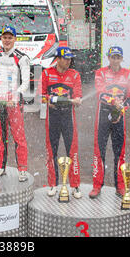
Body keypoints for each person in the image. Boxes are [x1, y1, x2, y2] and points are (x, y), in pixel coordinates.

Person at [89, 46, 130, 199]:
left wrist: (122, 106)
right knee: (99, 152)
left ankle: (120, 186)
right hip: (102, 115)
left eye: (118, 57)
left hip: (119, 116)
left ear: (122, 59)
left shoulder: (128, 74)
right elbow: (100, 92)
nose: (115, 60)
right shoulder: (101, 72)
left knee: (119, 153)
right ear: (108, 58)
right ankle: (97, 186)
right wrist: (113, 101)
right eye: (112, 57)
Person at [0, 26, 30, 182]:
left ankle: (22, 169)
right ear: (1, 39)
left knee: (19, 137)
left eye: (10, 37)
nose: (7, 40)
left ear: (15, 39)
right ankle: (0, 166)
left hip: (14, 103)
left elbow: (25, 83)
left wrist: (15, 96)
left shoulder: (22, 58)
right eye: (4, 37)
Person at [41, 46, 82, 198]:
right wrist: (48, 100)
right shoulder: (47, 73)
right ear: (57, 59)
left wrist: (77, 100)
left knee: (72, 151)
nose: (68, 61)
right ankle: (53, 184)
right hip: (52, 117)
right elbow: (42, 94)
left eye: (70, 58)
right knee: (52, 151)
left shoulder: (75, 75)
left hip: (68, 117)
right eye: (65, 59)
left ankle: (75, 185)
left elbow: (78, 96)